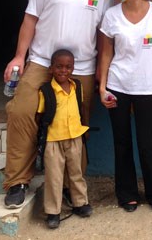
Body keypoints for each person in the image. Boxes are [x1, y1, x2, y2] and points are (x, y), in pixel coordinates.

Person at [2, 0, 115, 209]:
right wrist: (19, 56)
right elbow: (31, 18)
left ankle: (69, 186)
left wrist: (103, 69)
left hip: (82, 69)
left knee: (76, 128)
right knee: (23, 113)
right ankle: (18, 181)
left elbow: (104, 34)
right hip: (42, 61)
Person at [98, 0, 152, 213]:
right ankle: (127, 194)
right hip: (118, 85)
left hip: (148, 87)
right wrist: (102, 86)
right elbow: (107, 52)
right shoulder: (111, 15)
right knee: (122, 141)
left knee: (146, 141)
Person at [36, 49, 93, 229]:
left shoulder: (77, 86)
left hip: (75, 136)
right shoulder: (46, 90)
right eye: (59, 67)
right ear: (51, 68)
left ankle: (80, 203)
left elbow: (82, 108)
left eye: (68, 67)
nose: (63, 71)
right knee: (54, 176)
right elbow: (40, 115)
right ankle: (53, 211)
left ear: (73, 68)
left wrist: (85, 128)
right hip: (53, 140)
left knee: (76, 172)